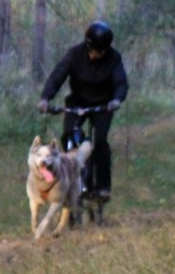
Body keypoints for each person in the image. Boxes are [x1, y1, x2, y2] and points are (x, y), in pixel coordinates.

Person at [37, 21, 129, 206]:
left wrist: (117, 99)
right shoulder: (75, 54)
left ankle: (102, 187)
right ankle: (72, 179)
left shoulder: (114, 58)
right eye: (96, 50)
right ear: (88, 46)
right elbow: (58, 75)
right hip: (77, 102)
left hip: (103, 105)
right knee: (68, 135)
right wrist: (46, 98)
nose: (98, 55)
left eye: (102, 51)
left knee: (100, 140)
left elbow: (120, 82)